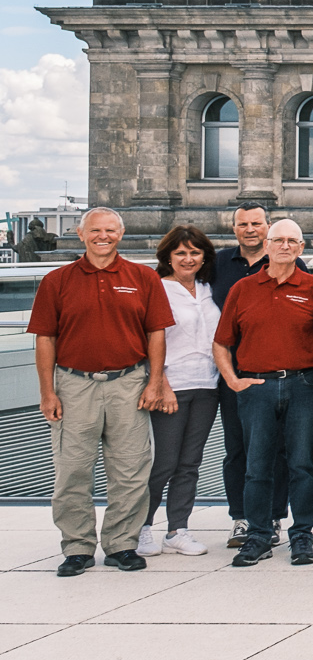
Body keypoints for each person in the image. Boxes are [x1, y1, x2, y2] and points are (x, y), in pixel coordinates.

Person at [33, 207, 174, 575]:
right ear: (81, 234)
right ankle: (77, 547)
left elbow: (155, 333)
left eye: (110, 230)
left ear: (120, 234)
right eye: (95, 230)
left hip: (128, 383)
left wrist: (154, 382)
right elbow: (45, 338)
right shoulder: (57, 280)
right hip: (74, 385)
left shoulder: (142, 277)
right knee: (72, 470)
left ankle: (121, 545)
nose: (103, 236)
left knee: (130, 471)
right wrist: (48, 392)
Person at [214, 220, 313, 566]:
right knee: (257, 465)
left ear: (301, 248)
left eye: (292, 241)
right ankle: (260, 535)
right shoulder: (243, 289)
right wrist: (233, 380)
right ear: (266, 245)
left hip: (304, 385)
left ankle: (301, 535)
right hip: (256, 386)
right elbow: (221, 342)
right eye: (278, 240)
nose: (285, 246)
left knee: (302, 465)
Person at [141, 226, 219, 558]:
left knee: (190, 462)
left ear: (204, 257)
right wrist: (161, 385)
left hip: (207, 385)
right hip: (171, 386)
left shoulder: (207, 289)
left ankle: (177, 529)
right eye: (181, 253)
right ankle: (142, 527)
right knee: (164, 462)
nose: (188, 259)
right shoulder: (157, 289)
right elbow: (148, 341)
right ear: (168, 257)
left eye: (195, 252)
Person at [209, 202, 271, 549]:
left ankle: (273, 517)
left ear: (268, 226)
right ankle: (241, 518)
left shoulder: (283, 257)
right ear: (234, 229)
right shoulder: (217, 264)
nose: (250, 229)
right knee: (237, 450)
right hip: (230, 374)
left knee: (274, 450)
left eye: (256, 223)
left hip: (274, 375)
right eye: (243, 224)